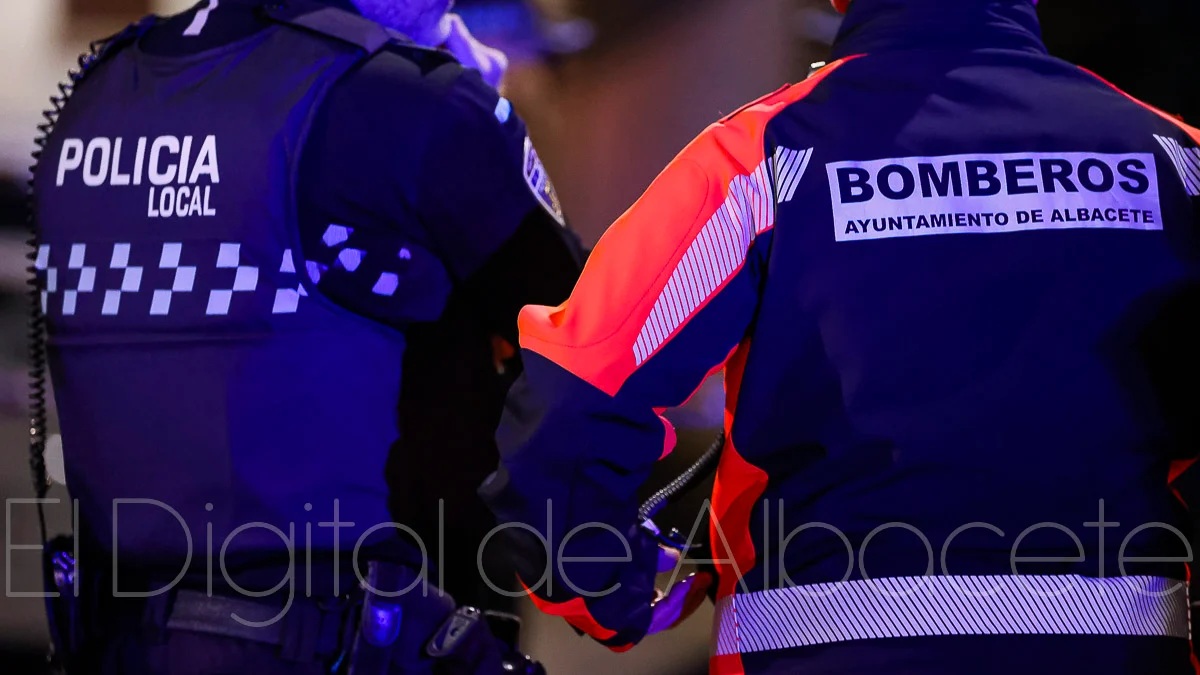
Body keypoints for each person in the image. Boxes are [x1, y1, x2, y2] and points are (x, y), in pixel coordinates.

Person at [481, 0, 1200, 672]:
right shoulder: (1176, 161)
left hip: (818, 643)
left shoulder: (758, 159)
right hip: (1117, 640)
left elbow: (571, 401)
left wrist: (612, 580)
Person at [31, 0, 580, 672]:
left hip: (114, 639)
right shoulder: (416, 102)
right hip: (348, 635)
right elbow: (581, 341)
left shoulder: (101, 93)